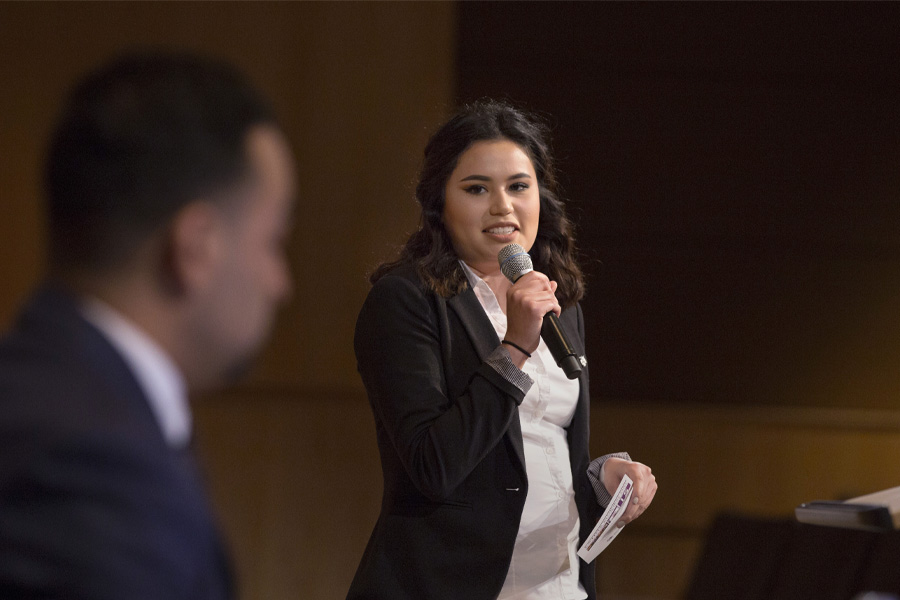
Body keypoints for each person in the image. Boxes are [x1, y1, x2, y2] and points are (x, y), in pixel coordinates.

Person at [0, 52, 295, 599]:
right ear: (196, 247)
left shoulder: (40, 388)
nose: (281, 284)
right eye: (273, 242)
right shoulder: (95, 470)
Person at [347, 100, 657, 600]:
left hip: (557, 587)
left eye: (518, 186)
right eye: (476, 189)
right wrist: (513, 346)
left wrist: (599, 479)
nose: (502, 207)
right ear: (439, 204)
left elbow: (533, 452)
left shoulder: (559, 301)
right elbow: (433, 466)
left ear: (541, 196)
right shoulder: (406, 301)